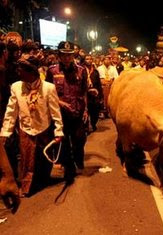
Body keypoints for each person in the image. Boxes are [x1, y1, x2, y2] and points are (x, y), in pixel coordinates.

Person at [0, 55, 63, 196]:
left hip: (44, 129)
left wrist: (58, 131)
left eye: (21, 70)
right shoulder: (16, 87)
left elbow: (55, 111)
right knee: (27, 159)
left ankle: (42, 181)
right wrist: (5, 132)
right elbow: (11, 111)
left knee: (43, 159)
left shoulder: (48, 88)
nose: (18, 72)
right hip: (25, 129)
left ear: (32, 72)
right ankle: (27, 187)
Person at [46, 41, 88, 181]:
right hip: (60, 114)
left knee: (80, 139)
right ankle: (69, 169)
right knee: (63, 142)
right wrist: (60, 103)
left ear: (73, 55)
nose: (67, 58)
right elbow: (48, 94)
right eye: (64, 55)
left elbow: (83, 92)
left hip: (77, 112)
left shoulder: (81, 70)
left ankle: (78, 160)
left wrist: (86, 110)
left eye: (69, 55)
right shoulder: (52, 71)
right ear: (59, 56)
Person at [83, 54, 103, 132]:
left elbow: (99, 84)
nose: (89, 60)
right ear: (84, 60)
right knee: (86, 111)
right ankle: (86, 127)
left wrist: (101, 95)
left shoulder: (95, 71)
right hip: (85, 95)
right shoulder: (82, 70)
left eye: (90, 59)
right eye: (87, 59)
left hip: (95, 96)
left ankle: (93, 124)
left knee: (95, 112)